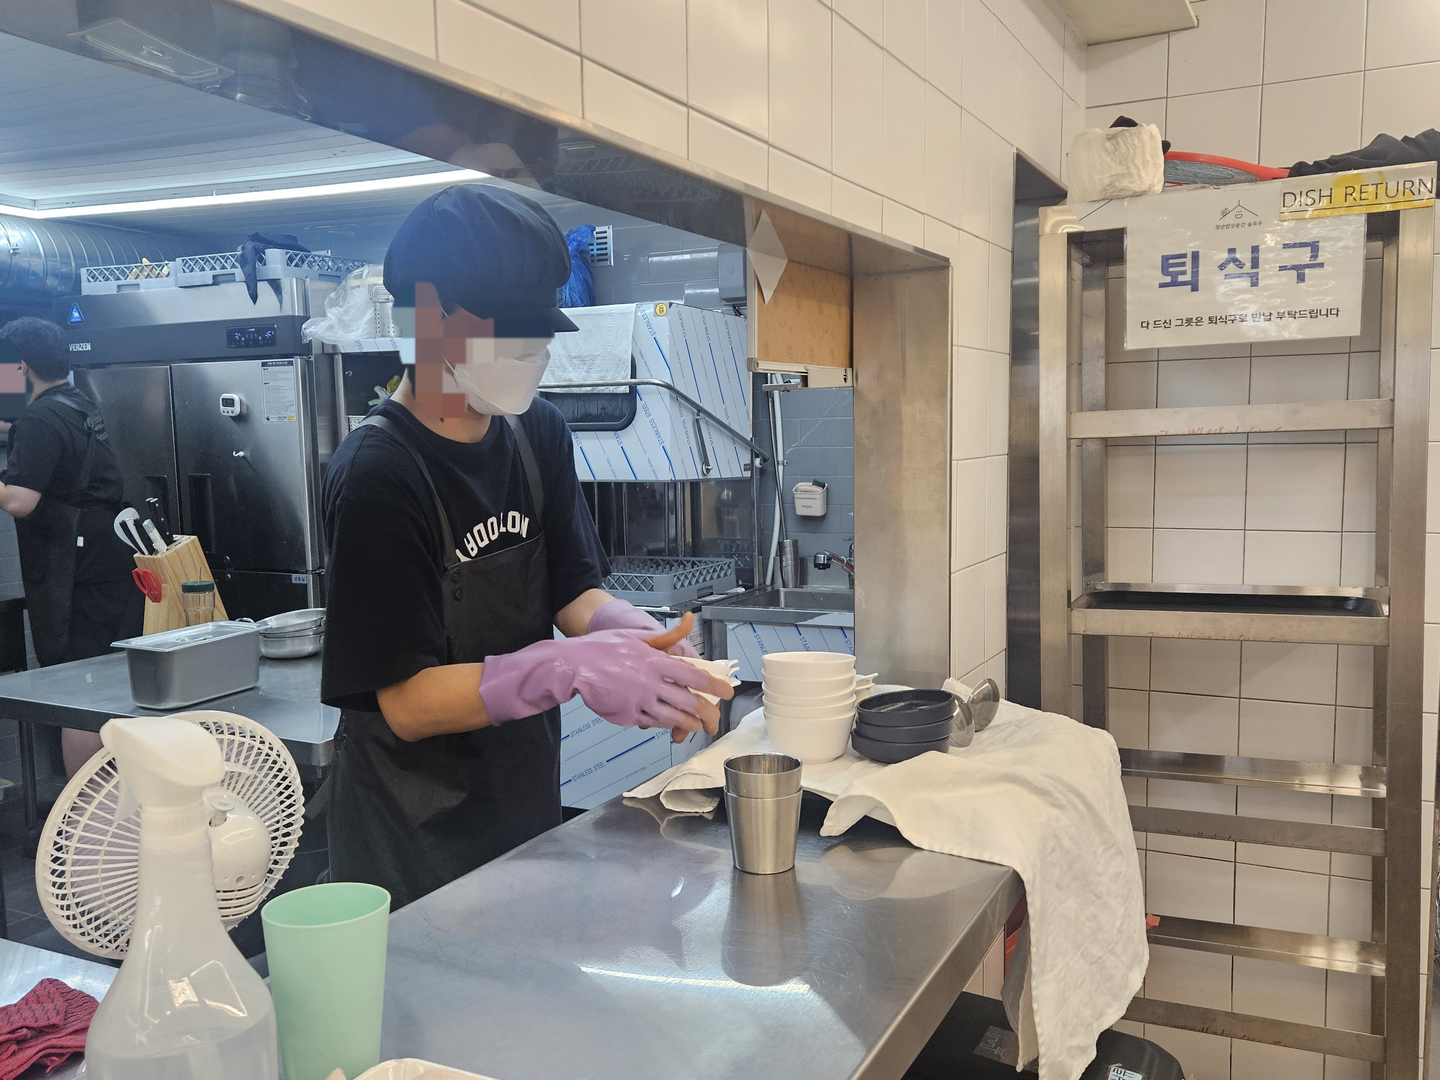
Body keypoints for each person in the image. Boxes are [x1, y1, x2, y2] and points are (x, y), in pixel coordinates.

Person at [321, 185, 733, 908]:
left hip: (519, 803)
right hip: (410, 836)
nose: (532, 355)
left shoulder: (534, 431)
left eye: (537, 339)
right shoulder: (377, 475)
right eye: (511, 338)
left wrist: (628, 637)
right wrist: (562, 667)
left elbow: (572, 591)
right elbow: (407, 703)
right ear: (431, 320)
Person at [0, 318, 142, 775]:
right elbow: (36, 432)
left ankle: (83, 819)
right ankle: (108, 809)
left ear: (20, 367)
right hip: (108, 559)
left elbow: (21, 501)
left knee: (81, 690)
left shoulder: (41, 417)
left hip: (76, 568)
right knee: (102, 677)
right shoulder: (74, 402)